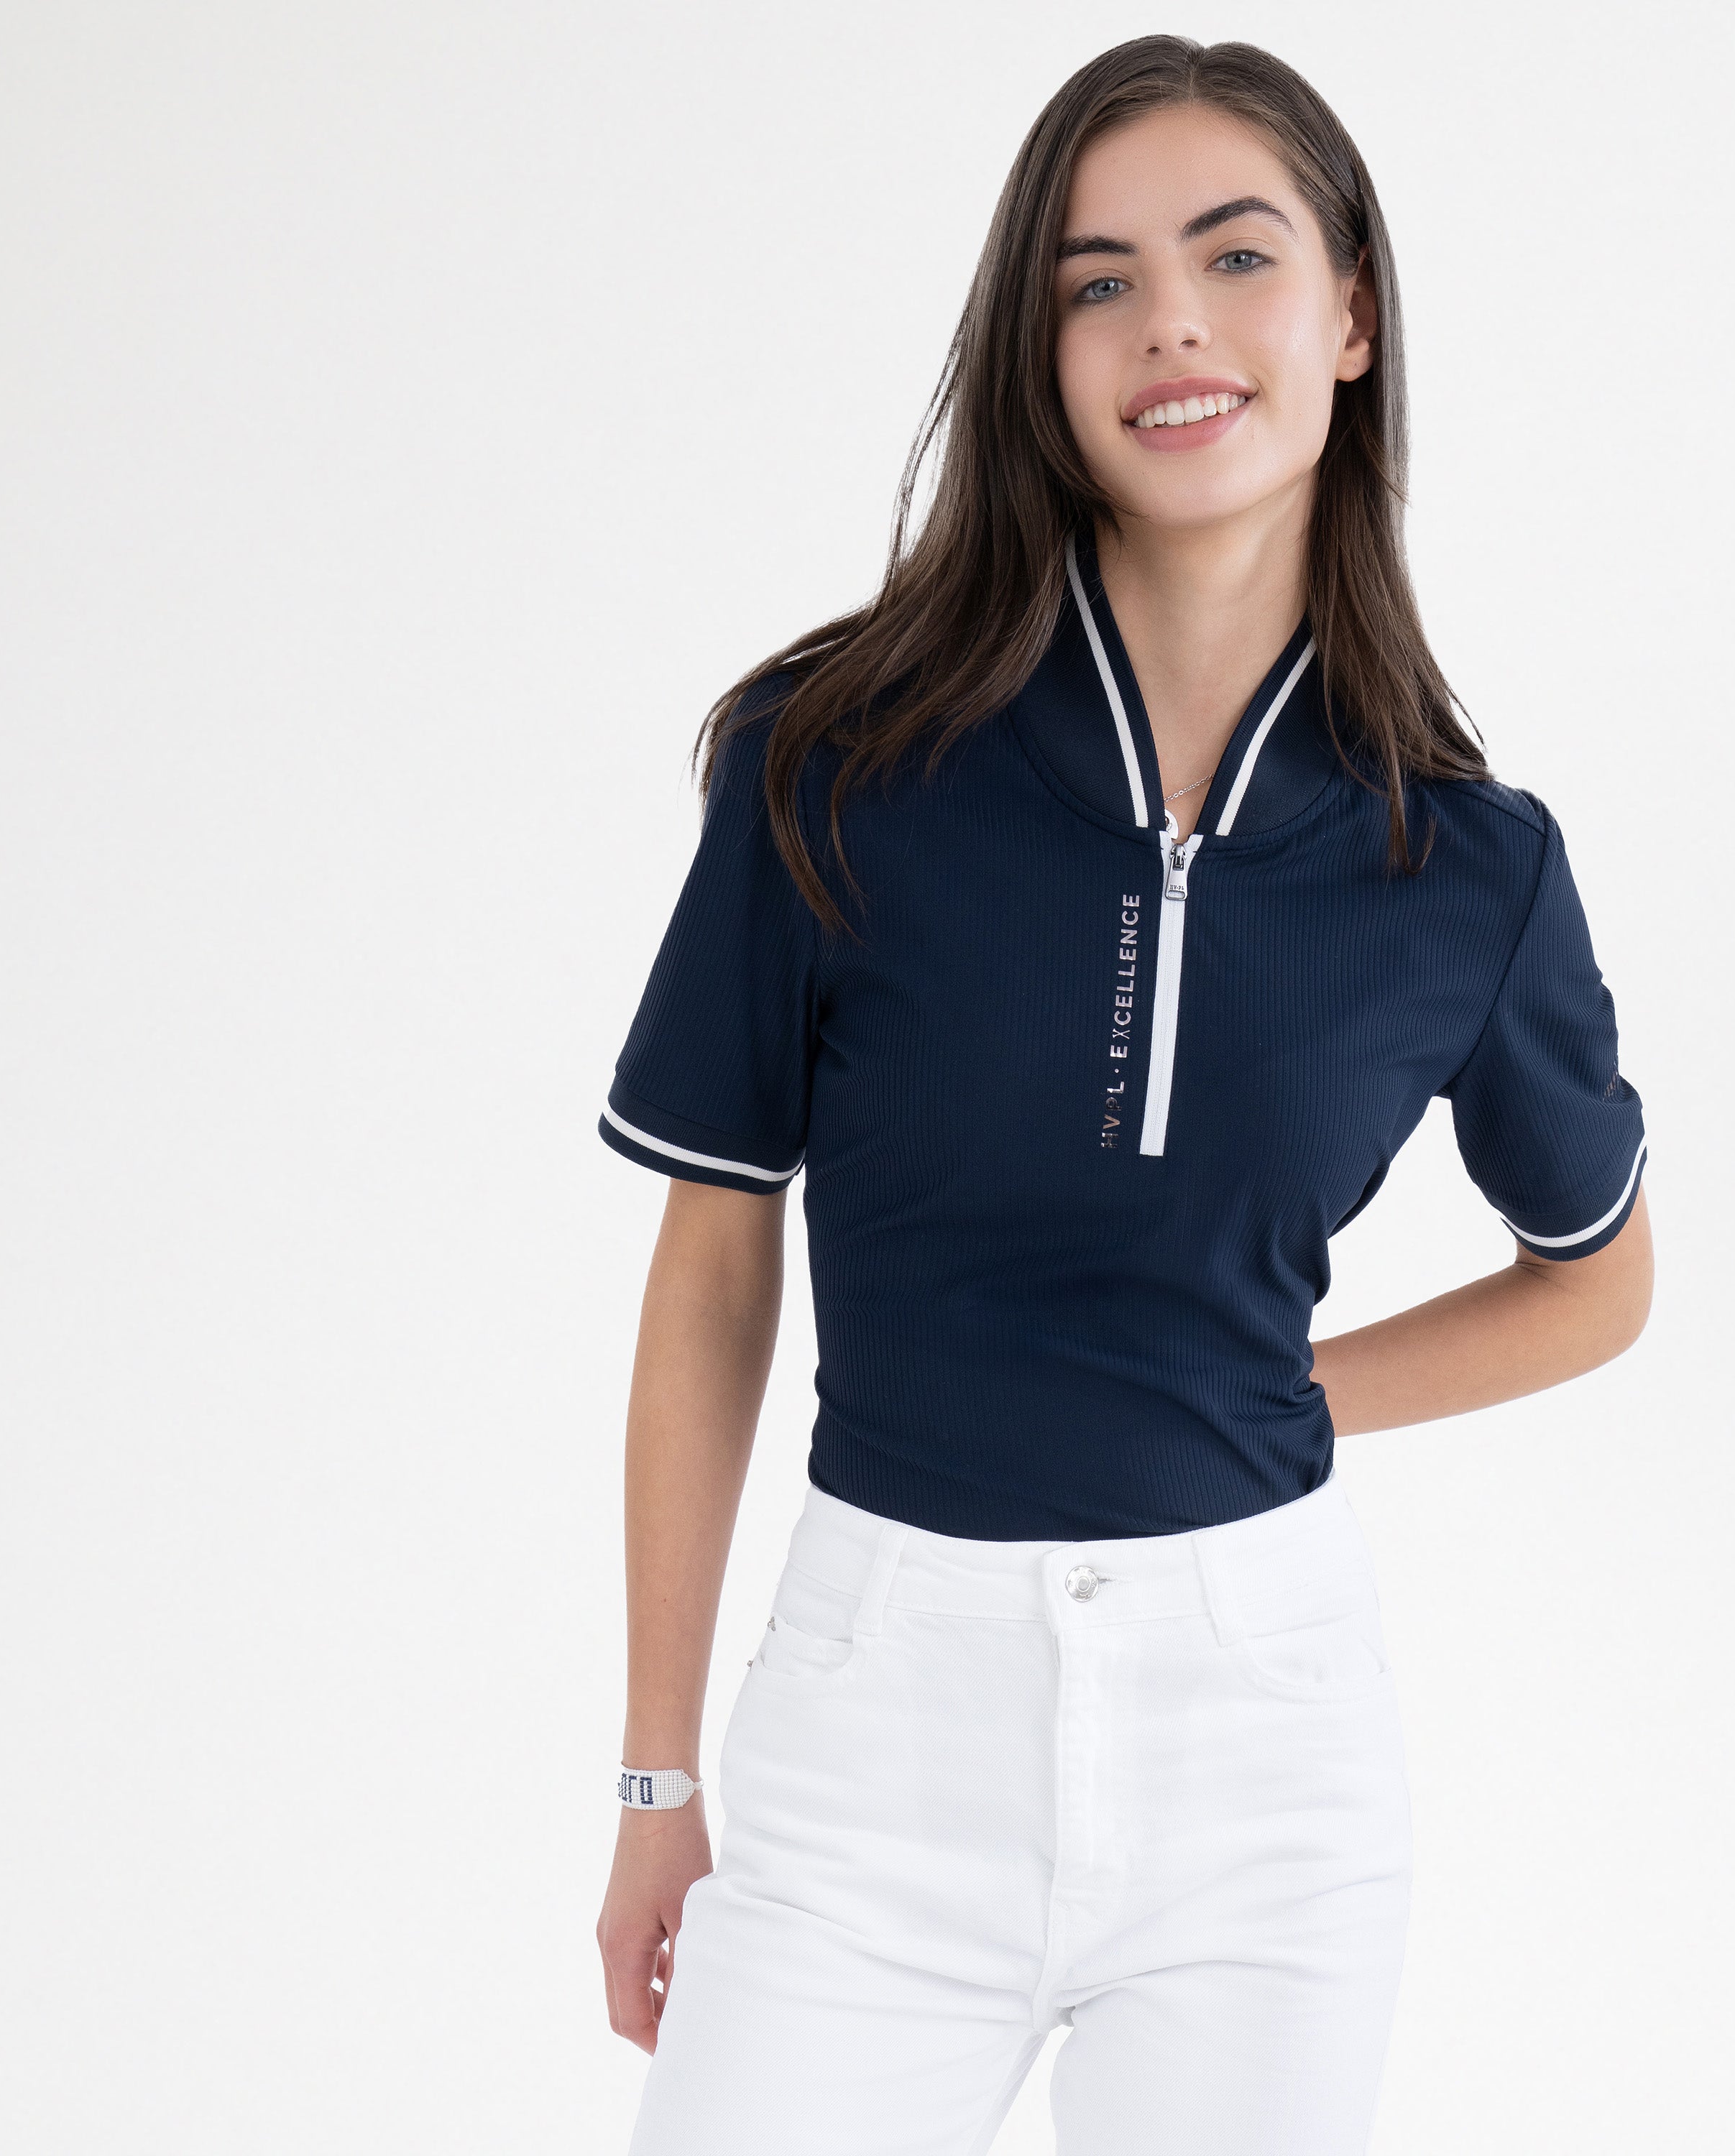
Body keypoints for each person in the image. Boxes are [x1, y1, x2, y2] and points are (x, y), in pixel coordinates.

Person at [592, 33, 1652, 2156]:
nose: (1171, 319)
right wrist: (655, 1777)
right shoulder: (834, 763)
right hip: (872, 1746)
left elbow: (1595, 1284)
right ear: (1042, 356)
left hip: (1264, 1758)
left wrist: (1264, 1395)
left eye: (1235, 255)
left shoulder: (1465, 863)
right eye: (1099, 281)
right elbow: (714, 1273)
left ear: (1349, 318)